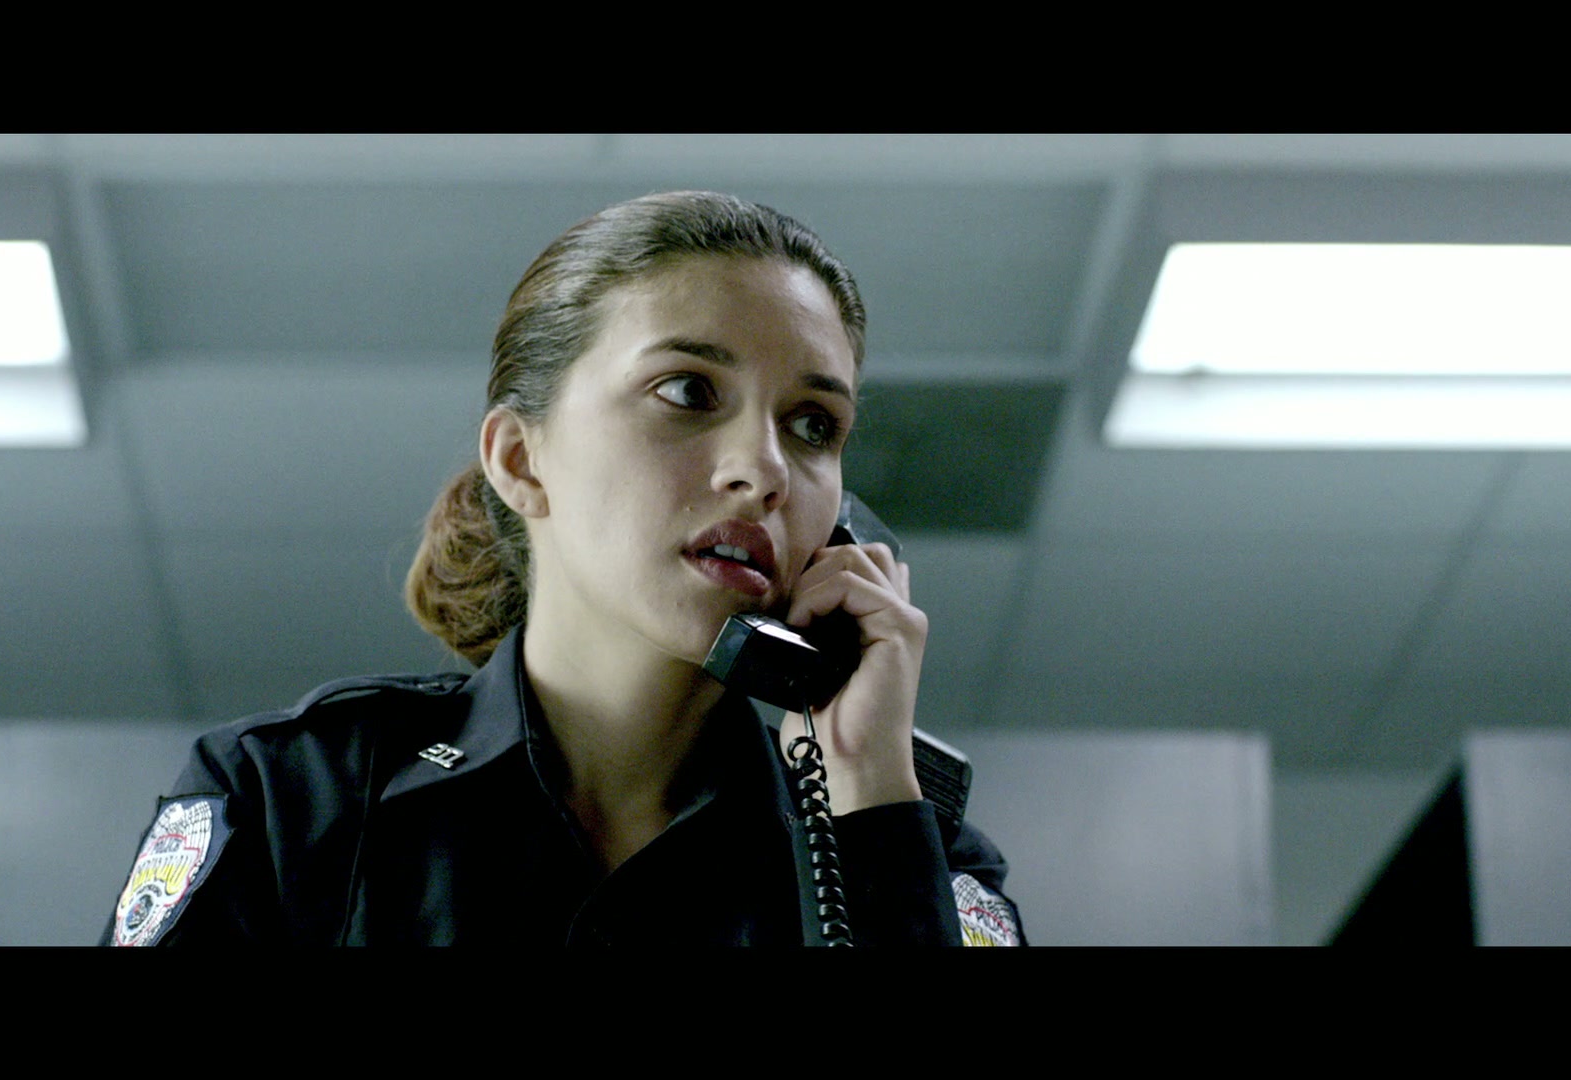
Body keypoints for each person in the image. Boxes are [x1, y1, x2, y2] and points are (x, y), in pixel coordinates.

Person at [103, 191, 1024, 946]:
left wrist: (869, 796)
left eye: (813, 424)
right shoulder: (293, 798)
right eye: (688, 391)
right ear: (520, 460)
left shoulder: (924, 860)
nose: (765, 469)